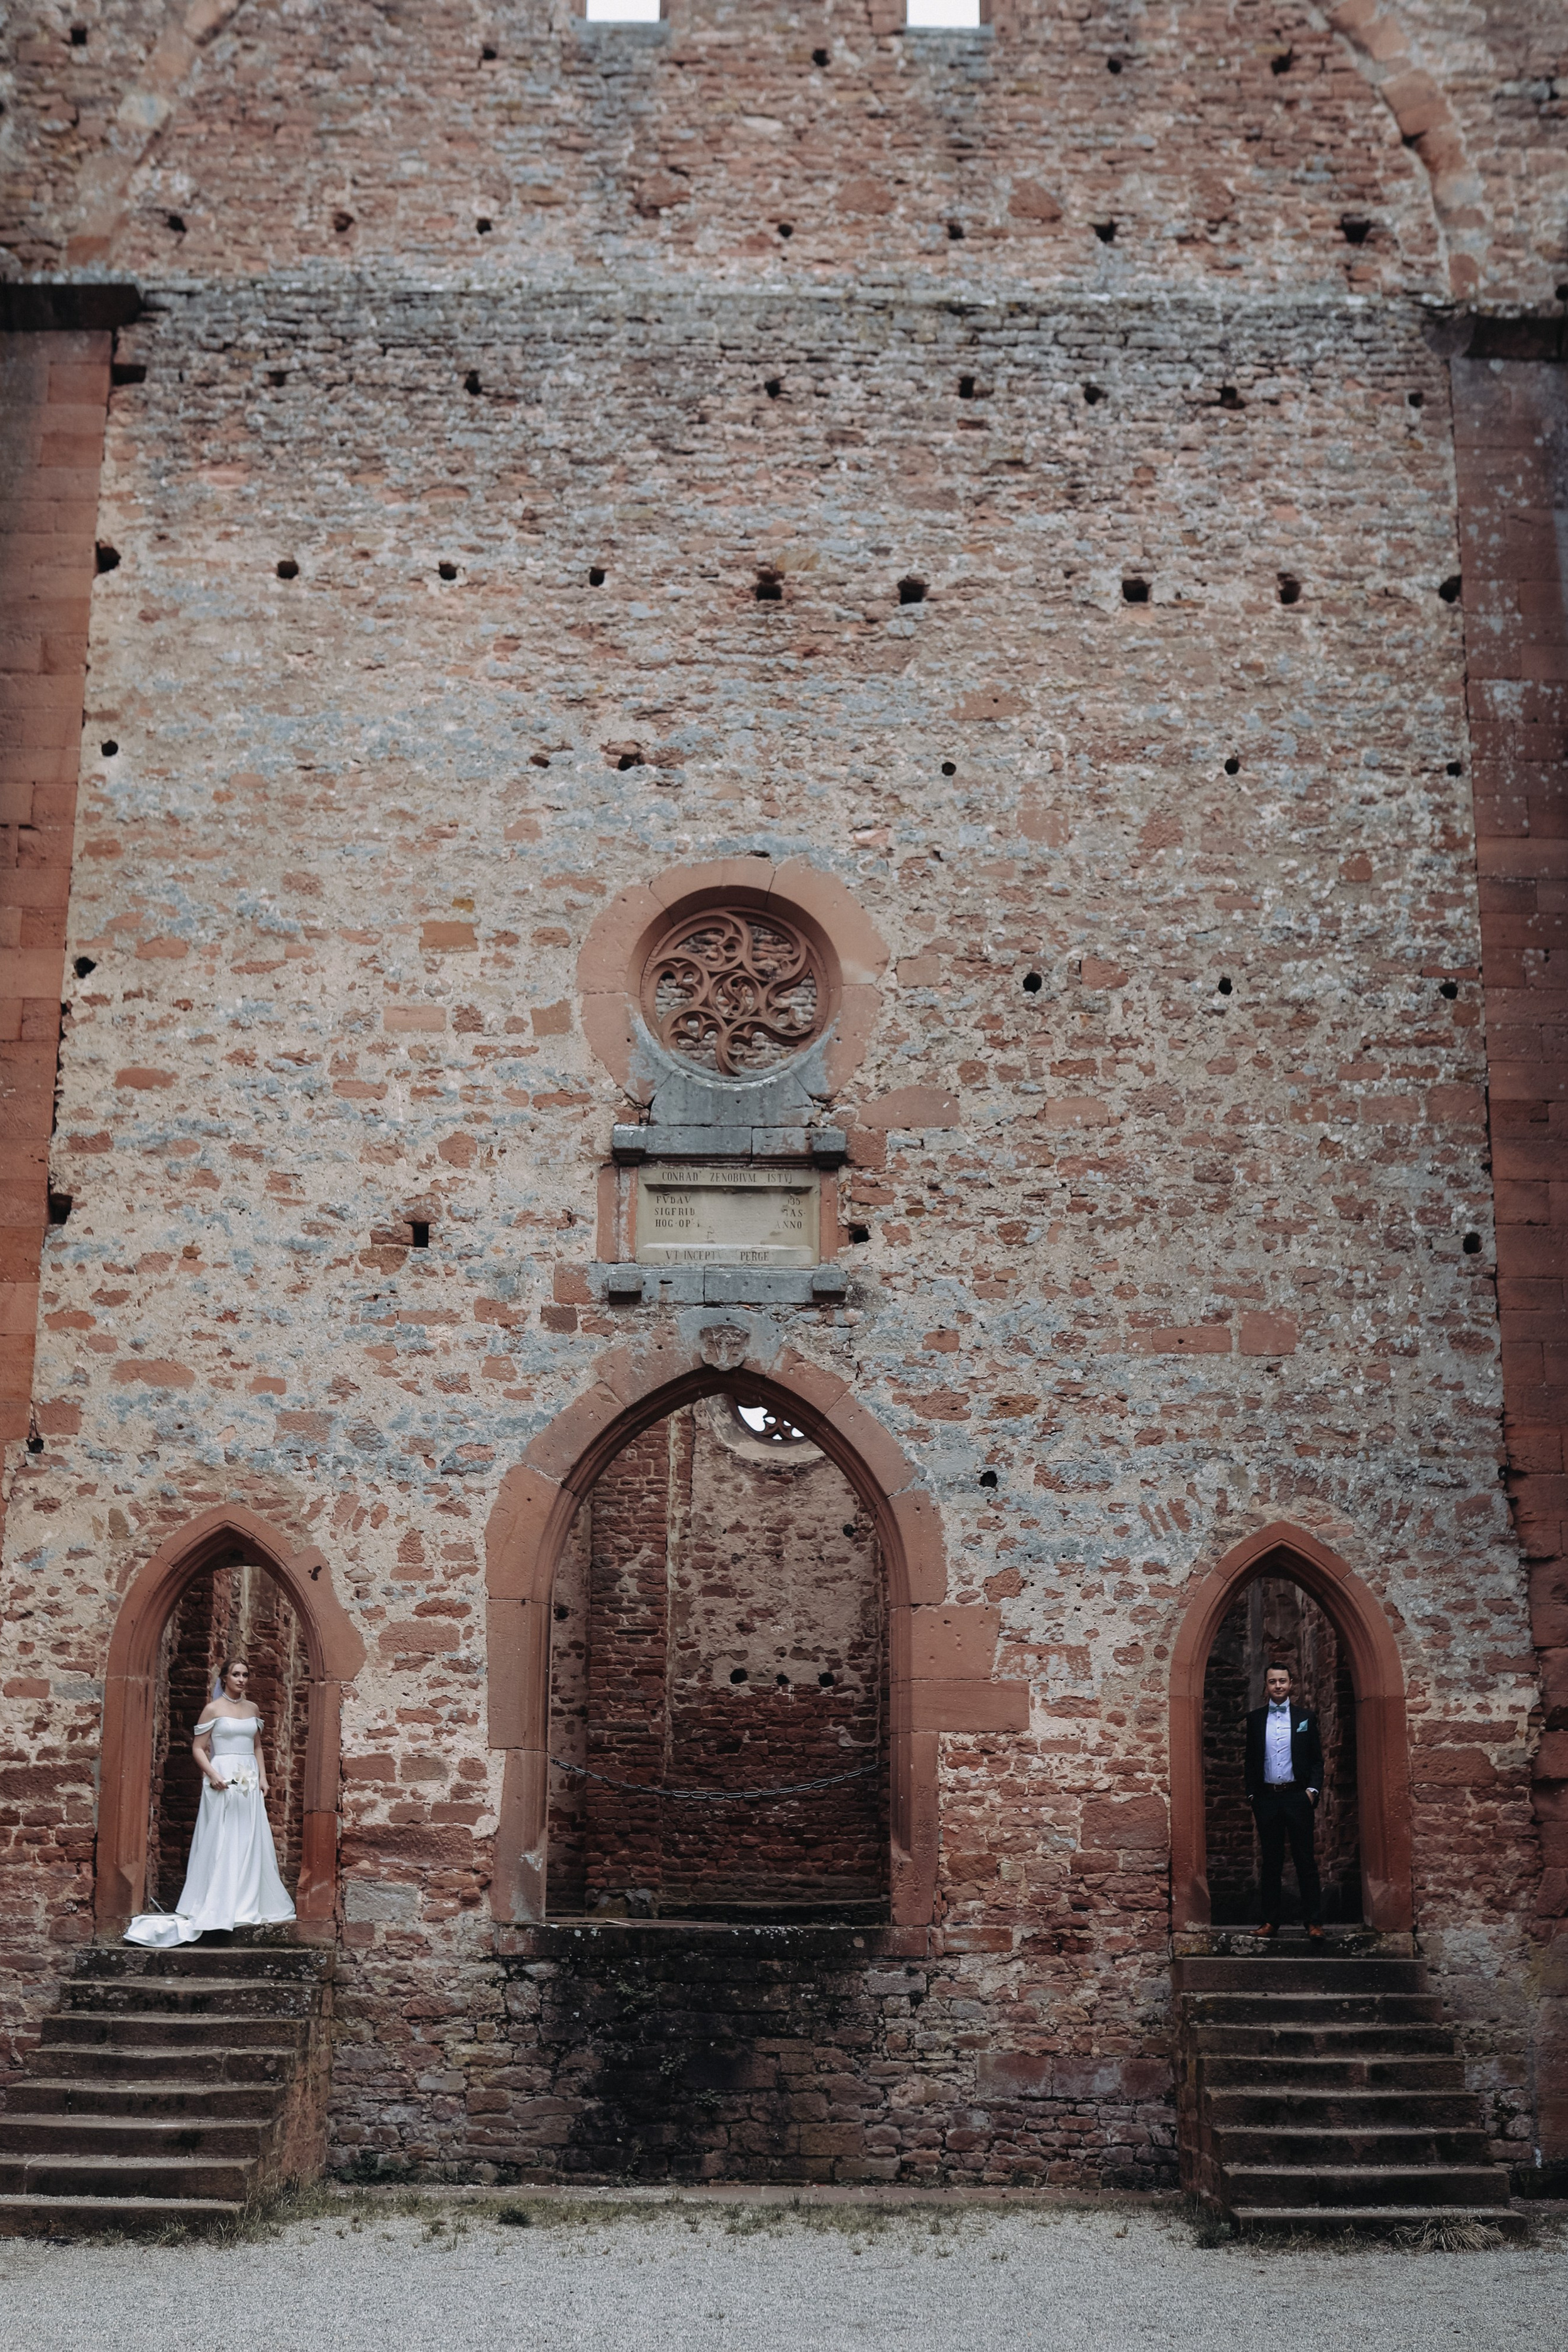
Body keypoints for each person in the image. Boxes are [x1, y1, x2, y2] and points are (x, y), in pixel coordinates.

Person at [124, 1658, 295, 1946]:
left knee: (249, 1837)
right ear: (225, 1678)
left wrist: (264, 1779)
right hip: (222, 1777)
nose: (241, 1679)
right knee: (222, 1837)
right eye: (236, 1674)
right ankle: (218, 1901)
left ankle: (247, 1899)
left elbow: (257, 1747)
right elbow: (198, 1748)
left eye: (245, 1675)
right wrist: (214, 1774)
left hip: (248, 1781)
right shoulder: (212, 1709)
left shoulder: (252, 1709)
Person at [1244, 1658, 1324, 1940]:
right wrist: (1253, 1795)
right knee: (1271, 1863)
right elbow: (1250, 1761)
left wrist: (1312, 1792)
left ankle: (1313, 1922)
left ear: (1291, 1685)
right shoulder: (1254, 1720)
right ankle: (1270, 1922)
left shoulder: (1305, 1718)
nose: (1278, 1686)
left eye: (1282, 1681)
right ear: (1266, 1687)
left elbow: (1317, 1760)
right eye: (1272, 1681)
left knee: (1305, 1861)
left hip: (1297, 1798)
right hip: (1267, 1799)